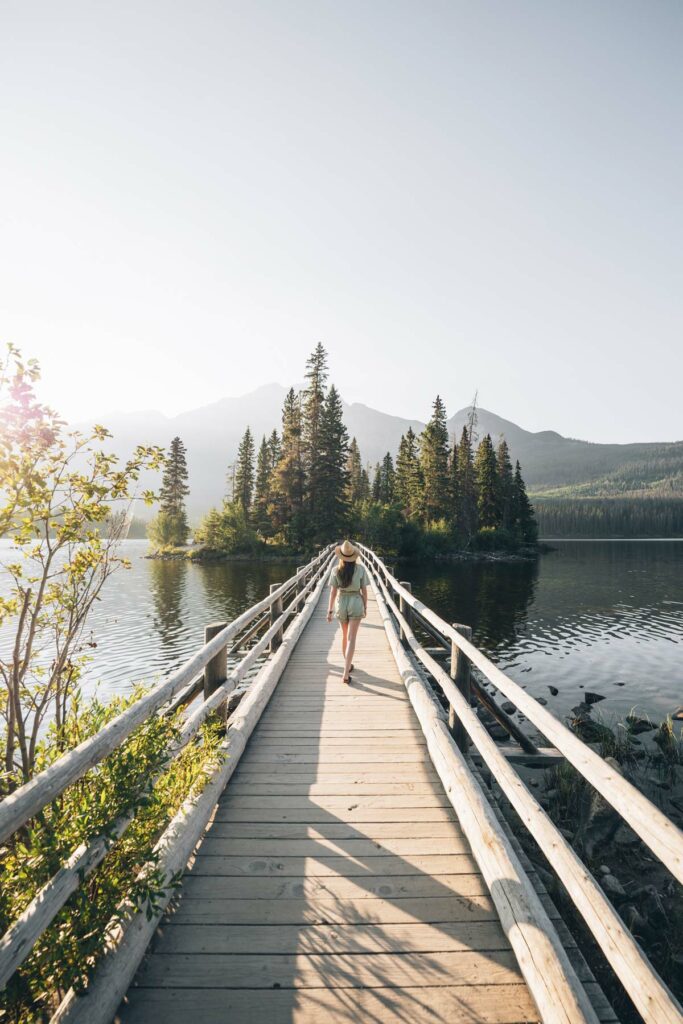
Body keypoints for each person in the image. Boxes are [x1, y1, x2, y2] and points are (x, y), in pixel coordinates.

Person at [326, 539, 369, 684]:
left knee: (344, 636)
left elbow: (332, 592)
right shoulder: (361, 570)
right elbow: (364, 591)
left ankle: (348, 666)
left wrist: (329, 611)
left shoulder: (335, 570)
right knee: (352, 638)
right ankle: (345, 672)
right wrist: (365, 606)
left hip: (341, 602)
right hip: (356, 601)